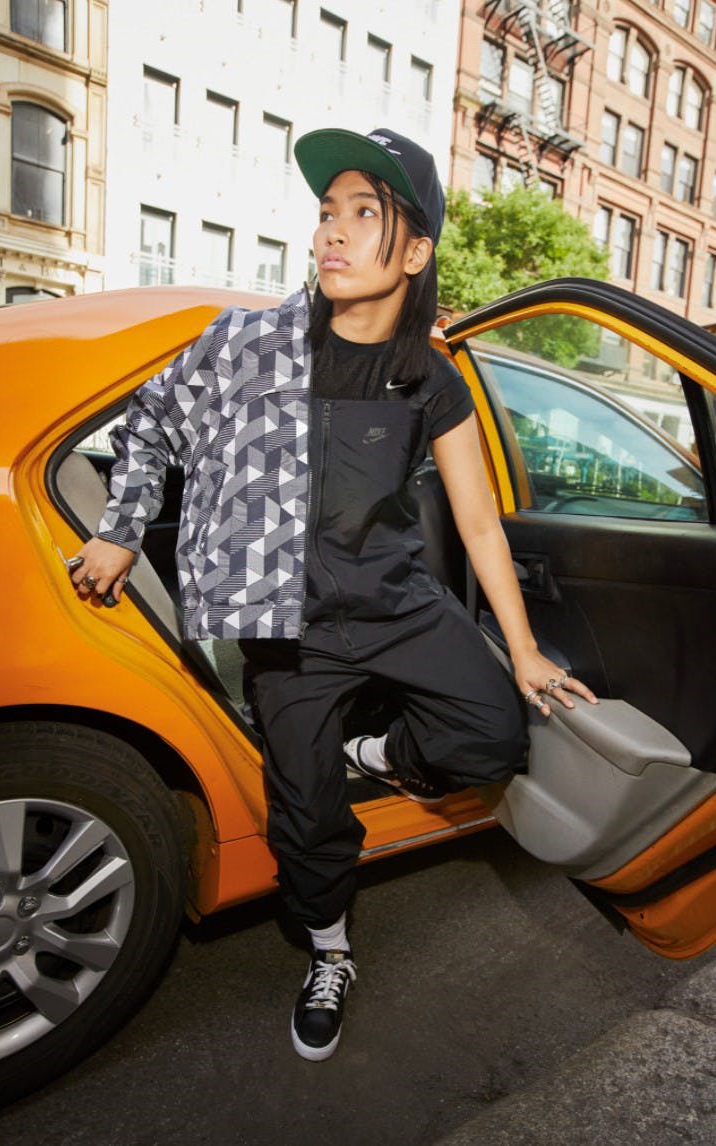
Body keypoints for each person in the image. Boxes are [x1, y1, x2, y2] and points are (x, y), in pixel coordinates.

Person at [69, 127, 597, 1063]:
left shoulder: (430, 376)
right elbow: (148, 423)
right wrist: (119, 528)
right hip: (289, 632)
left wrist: (522, 651)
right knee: (308, 820)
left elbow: (479, 524)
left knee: (492, 736)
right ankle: (329, 951)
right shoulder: (249, 344)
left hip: (395, 606)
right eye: (326, 212)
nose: (332, 233)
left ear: (416, 252)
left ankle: (374, 747)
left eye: (363, 213)